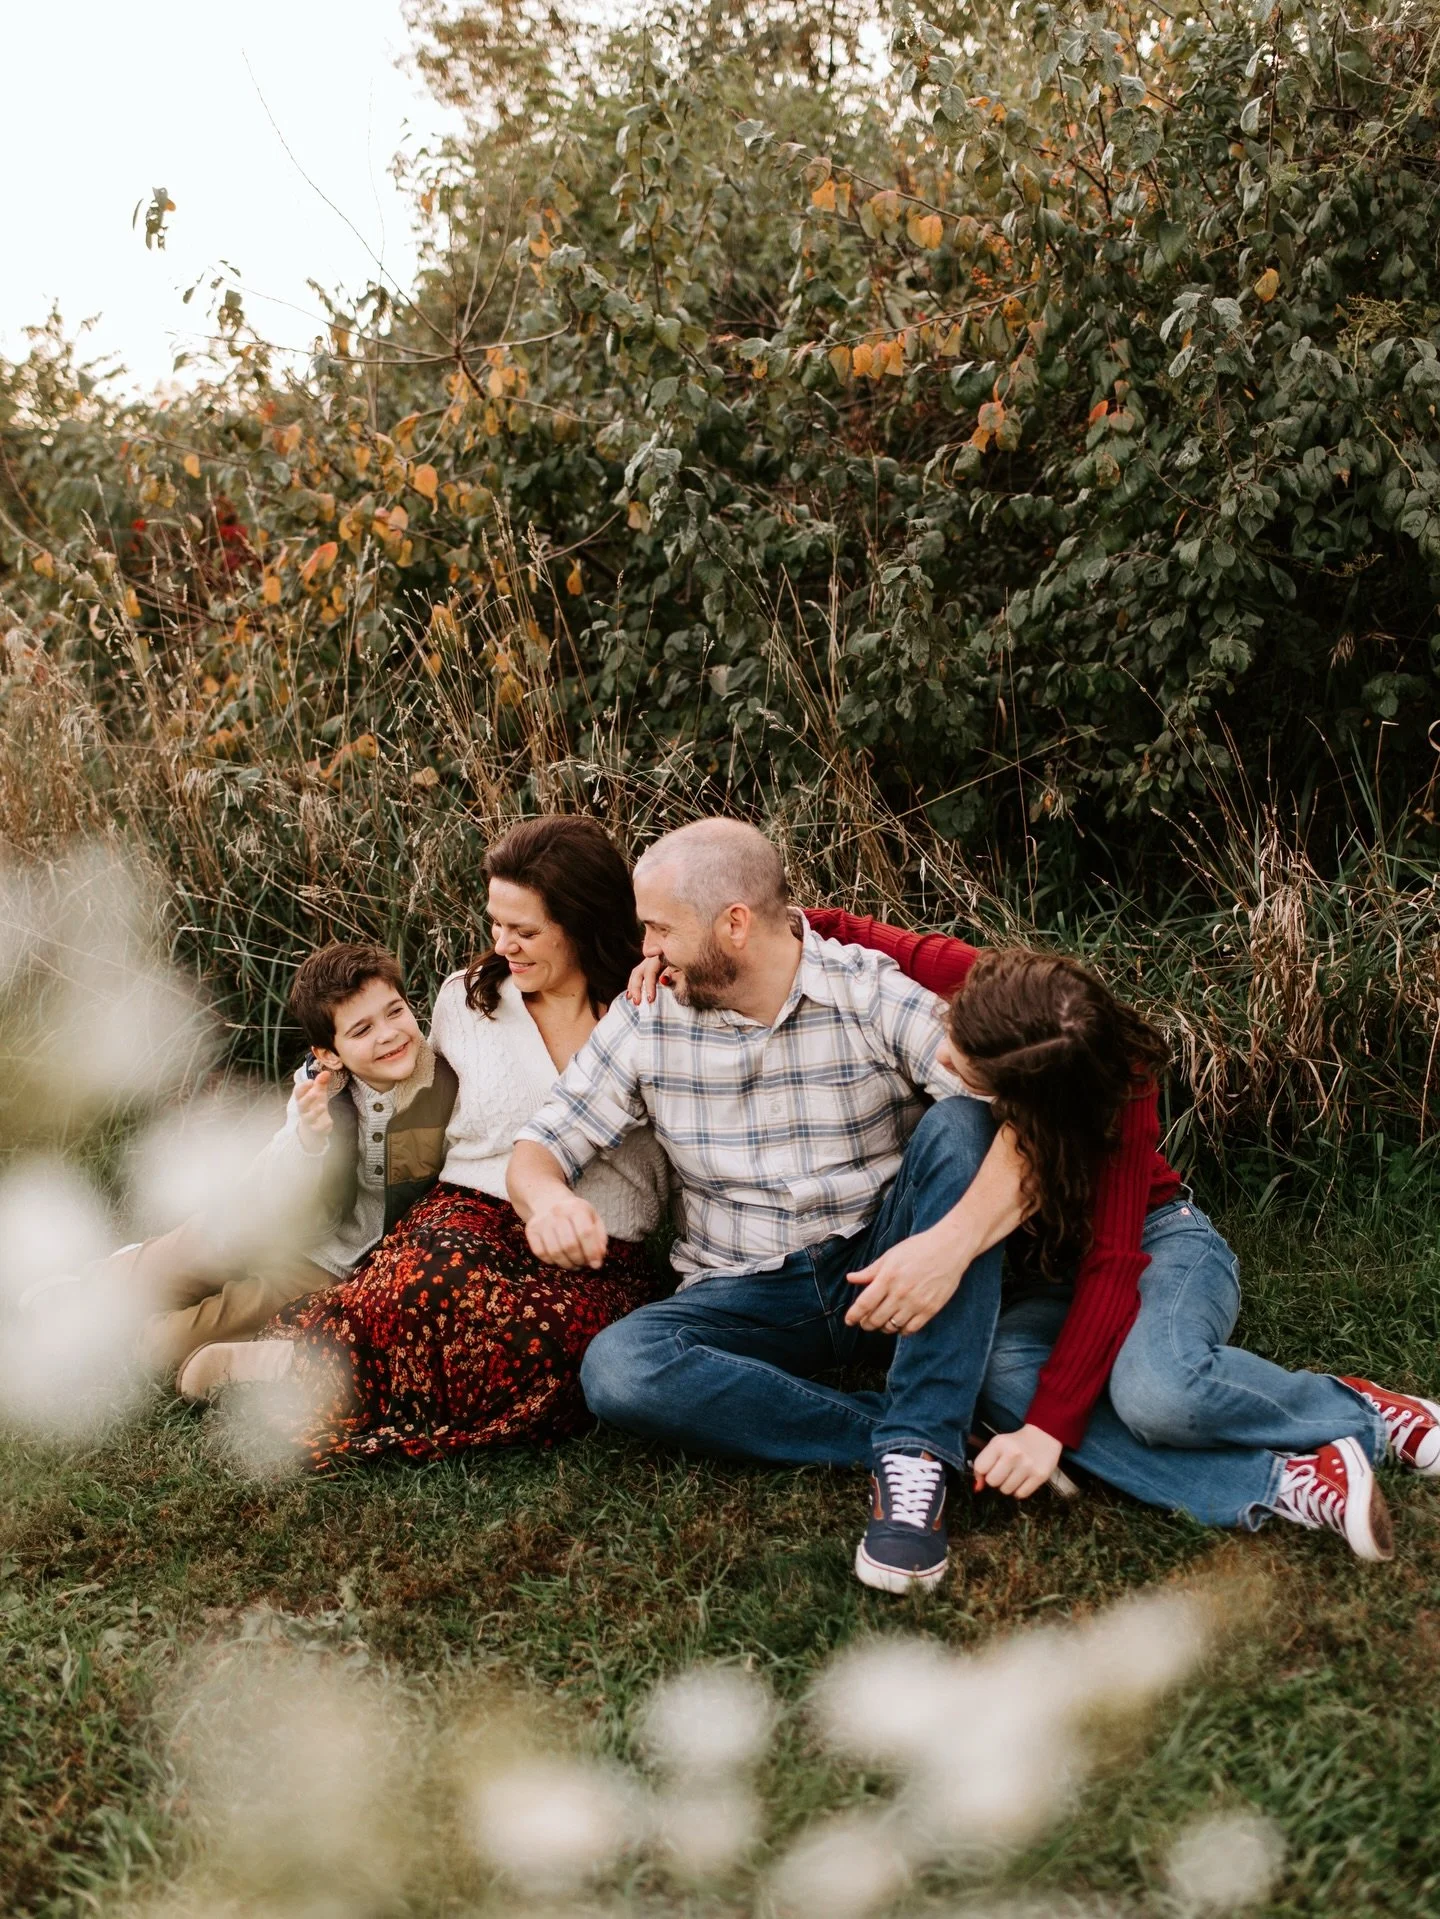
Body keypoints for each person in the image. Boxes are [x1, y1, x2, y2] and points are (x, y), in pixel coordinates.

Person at [802, 909, 1440, 1562]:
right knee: (997, 1376)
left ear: (1034, 1096)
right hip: (1048, 1280)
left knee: (1156, 1392)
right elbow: (885, 941)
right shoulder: (1007, 998)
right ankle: (1291, 1481)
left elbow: (1112, 1263)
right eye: (953, 1033)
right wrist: (793, 922)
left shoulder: (1116, 1091)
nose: (942, 1053)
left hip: (1160, 1245)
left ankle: (1365, 1414)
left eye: (969, 1067)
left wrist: (1048, 1430)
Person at [507, 818, 1031, 1594]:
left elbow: (1024, 1113)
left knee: (966, 1122)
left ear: (735, 925)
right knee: (620, 1368)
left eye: (657, 928)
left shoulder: (864, 988)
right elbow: (539, 1147)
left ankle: (917, 1459)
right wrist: (546, 1198)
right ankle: (896, 1434)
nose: (643, 951)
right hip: (741, 1289)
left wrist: (946, 1244)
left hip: (876, 1259)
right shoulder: (648, 1014)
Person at [195, 815, 670, 1467]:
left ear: (583, 919)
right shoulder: (470, 1000)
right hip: (471, 1212)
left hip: (597, 1242)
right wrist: (318, 1083)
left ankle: (321, 1365)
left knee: (533, 1337)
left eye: (525, 930)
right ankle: (300, 1354)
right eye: (496, 924)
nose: (504, 944)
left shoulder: (653, 1006)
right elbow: (390, 1073)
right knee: (434, 1285)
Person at [63, 941, 457, 1395]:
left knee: (187, 1335)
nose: (388, 1034)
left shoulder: (439, 1087)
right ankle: (87, 1288)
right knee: (171, 1263)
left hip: (323, 1263)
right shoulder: (320, 1091)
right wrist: (309, 1142)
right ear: (330, 1054)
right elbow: (275, 1181)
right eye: (363, 1029)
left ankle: (126, 1340)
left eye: (395, 1012)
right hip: (258, 1220)